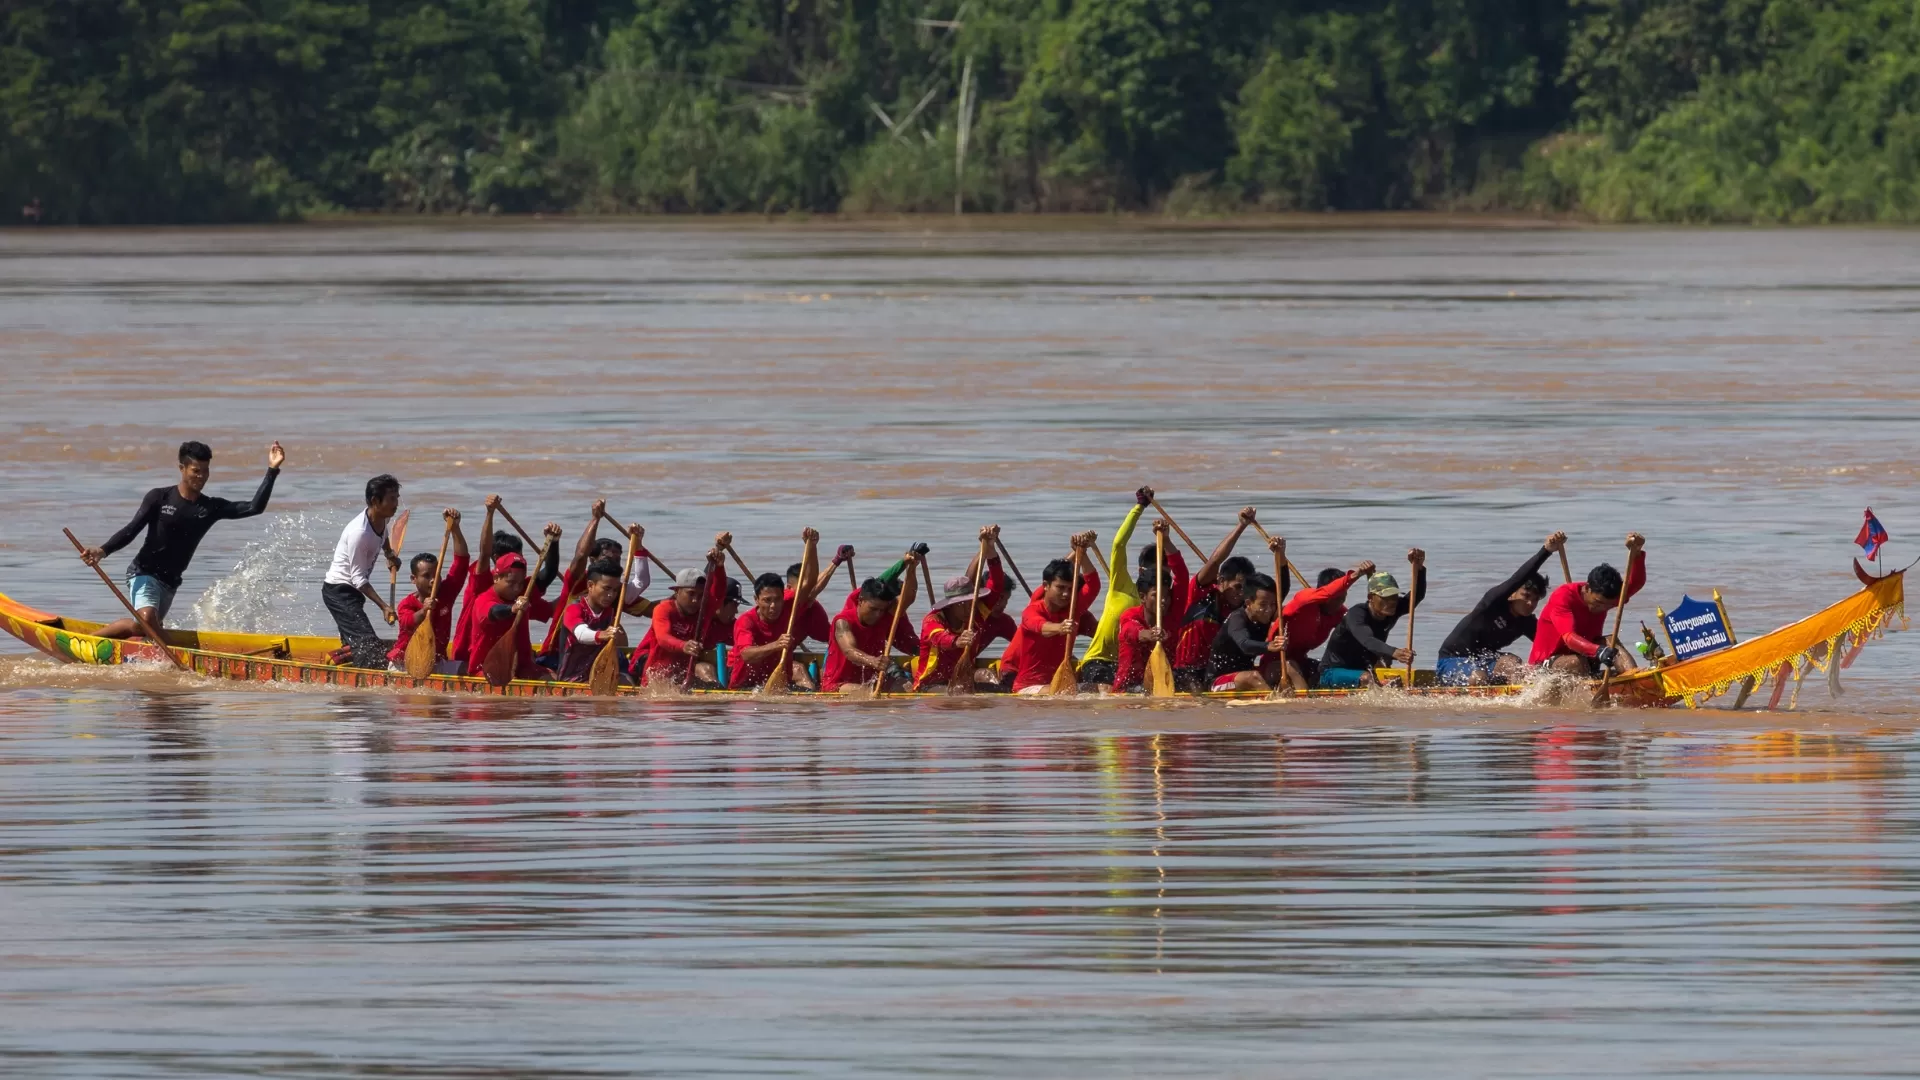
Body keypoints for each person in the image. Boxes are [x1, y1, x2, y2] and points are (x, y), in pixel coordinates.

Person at [80, 440, 285, 640]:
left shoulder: (211, 507)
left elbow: (254, 507)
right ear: (182, 468)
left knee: (142, 628)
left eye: (205, 471)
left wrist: (272, 469)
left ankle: (91, 638)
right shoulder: (159, 497)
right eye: (196, 471)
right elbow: (131, 530)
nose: (201, 476)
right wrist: (102, 551)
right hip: (143, 573)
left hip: (170, 583)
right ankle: (172, 651)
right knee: (148, 619)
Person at [1437, 532, 1565, 686]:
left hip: (1485, 660)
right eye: (1526, 596)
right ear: (1512, 594)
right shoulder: (1493, 602)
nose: (1530, 603)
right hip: (1452, 660)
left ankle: (1518, 698)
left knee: (1513, 663)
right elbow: (1518, 578)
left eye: (1536, 599)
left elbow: (1553, 644)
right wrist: (1546, 551)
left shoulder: (1526, 622)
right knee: (1479, 678)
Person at [449, 496, 560, 668]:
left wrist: (553, 542)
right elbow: (484, 554)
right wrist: (489, 513)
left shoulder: (520, 586)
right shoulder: (482, 581)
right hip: (468, 656)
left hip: (506, 658)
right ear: (496, 560)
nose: (518, 561)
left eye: (519, 557)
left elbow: (549, 574)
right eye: (511, 556)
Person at [733, 529, 840, 690]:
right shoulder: (745, 621)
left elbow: (810, 583)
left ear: (783, 596)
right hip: (745, 687)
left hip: (781, 685)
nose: (773, 606)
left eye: (777, 600)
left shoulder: (790, 604)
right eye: (767, 601)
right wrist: (777, 645)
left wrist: (811, 546)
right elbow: (747, 654)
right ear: (756, 600)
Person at [1529, 533, 1648, 676]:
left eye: (1608, 605)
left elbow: (1636, 583)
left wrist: (1636, 552)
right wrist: (1599, 651)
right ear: (1587, 588)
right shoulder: (1563, 596)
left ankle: (1633, 677)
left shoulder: (1610, 596)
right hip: (1545, 665)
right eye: (1598, 603)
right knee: (1576, 662)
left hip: (1585, 656)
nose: (1602, 608)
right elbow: (1569, 638)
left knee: (1611, 641)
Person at [461, 521, 565, 680]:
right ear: (496, 577)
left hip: (523, 667)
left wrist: (553, 541)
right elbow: (494, 612)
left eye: (520, 583)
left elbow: (549, 572)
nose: (517, 588)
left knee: (554, 678)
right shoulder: (483, 599)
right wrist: (512, 609)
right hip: (487, 669)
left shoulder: (524, 591)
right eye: (511, 583)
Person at [1171, 508, 1260, 691]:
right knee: (1196, 690)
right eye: (1237, 587)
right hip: (1186, 672)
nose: (1241, 594)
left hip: (1218, 672)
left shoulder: (1244, 609)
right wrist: (1241, 526)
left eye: (1245, 589)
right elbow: (1214, 561)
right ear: (1220, 581)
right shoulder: (1202, 592)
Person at [321, 474, 404, 668]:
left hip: (353, 593)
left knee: (357, 642)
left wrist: (389, 554)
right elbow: (358, 579)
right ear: (375, 501)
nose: (396, 504)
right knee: (369, 647)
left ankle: (339, 658)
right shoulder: (359, 533)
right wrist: (384, 606)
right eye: (391, 499)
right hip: (339, 592)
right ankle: (364, 675)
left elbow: (383, 535)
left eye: (397, 498)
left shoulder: (382, 518)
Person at [913, 526, 1011, 690]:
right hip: (930, 684)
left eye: (970, 602)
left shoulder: (975, 613)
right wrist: (957, 641)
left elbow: (997, 584)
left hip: (962, 679)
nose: (968, 608)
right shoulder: (933, 620)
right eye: (962, 603)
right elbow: (940, 639)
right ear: (950, 605)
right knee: (959, 692)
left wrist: (991, 551)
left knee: (997, 687)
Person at [820, 546, 926, 693]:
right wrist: (873, 661)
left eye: (882, 610)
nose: (878, 614)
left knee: (909, 688)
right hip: (839, 684)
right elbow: (850, 651)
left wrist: (912, 568)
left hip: (873, 680)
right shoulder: (842, 621)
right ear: (860, 601)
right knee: (867, 693)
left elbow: (907, 599)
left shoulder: (884, 615)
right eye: (873, 609)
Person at [1006, 533, 1101, 694]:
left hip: (1059, 683)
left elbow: (1093, 585)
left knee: (1105, 689)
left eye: (1070, 589)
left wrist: (1082, 553)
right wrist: (1060, 628)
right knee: (1064, 692)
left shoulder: (1074, 608)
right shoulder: (1032, 610)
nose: (1066, 594)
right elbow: (1041, 627)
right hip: (1028, 687)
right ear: (1046, 586)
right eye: (1060, 588)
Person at [1318, 551, 1427, 688]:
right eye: (1385, 597)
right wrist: (1394, 652)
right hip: (1332, 672)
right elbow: (1368, 640)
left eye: (1394, 596)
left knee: (1396, 682)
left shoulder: (1391, 609)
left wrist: (1419, 568)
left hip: (1362, 670)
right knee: (1367, 678)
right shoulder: (1356, 614)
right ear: (1371, 597)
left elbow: (1416, 596)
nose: (1392, 602)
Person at [1079, 488, 1155, 685]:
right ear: (1141, 571)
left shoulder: (1161, 604)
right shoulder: (1121, 585)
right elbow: (1118, 545)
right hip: (1097, 662)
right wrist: (1140, 507)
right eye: (1153, 572)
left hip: (1125, 666)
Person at [636, 536, 730, 688]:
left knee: (713, 686)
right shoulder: (663, 609)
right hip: (655, 674)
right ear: (677, 591)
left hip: (682, 673)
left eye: (700, 595)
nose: (695, 600)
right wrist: (683, 646)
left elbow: (719, 593)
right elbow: (663, 638)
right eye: (691, 594)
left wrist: (719, 567)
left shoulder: (703, 610)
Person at [388, 508, 470, 673]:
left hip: (435, 661)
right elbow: (407, 622)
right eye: (426, 576)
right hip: (404, 663)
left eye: (436, 575)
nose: (433, 580)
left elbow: (461, 562)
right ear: (413, 579)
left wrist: (455, 528)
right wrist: (424, 611)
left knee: (468, 669)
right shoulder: (406, 604)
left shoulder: (446, 592)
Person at [1112, 519, 1188, 692]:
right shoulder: (1130, 615)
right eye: (1156, 596)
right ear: (1142, 597)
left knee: (1190, 681)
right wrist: (1148, 634)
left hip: (1164, 681)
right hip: (1129, 687)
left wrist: (1166, 540)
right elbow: (1130, 631)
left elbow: (1182, 575)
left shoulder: (1173, 610)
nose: (1163, 601)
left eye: (1166, 596)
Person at [1278, 560, 1376, 689]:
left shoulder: (1340, 613)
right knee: (1290, 665)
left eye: (1342, 597)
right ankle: (1304, 701)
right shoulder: (1304, 601)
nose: (1339, 603)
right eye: (1335, 597)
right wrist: (1357, 574)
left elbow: (1360, 634)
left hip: (1302, 662)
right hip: (1277, 663)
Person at [1206, 572, 1289, 692]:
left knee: (1288, 666)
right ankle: (1275, 703)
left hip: (1245, 674)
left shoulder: (1264, 614)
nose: (1269, 610)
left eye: (1273, 604)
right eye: (1263, 605)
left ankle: (1302, 702)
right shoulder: (1237, 619)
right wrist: (1269, 646)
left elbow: (1283, 587)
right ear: (1248, 603)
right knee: (1253, 677)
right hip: (1217, 681)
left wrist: (1282, 560)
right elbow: (1245, 644)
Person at [556, 556, 630, 683]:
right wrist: (602, 635)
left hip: (597, 677)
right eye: (606, 589)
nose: (611, 595)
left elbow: (641, 583)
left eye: (615, 590)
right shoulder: (574, 609)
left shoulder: (609, 612)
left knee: (627, 680)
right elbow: (581, 633)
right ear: (590, 585)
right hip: (571, 680)